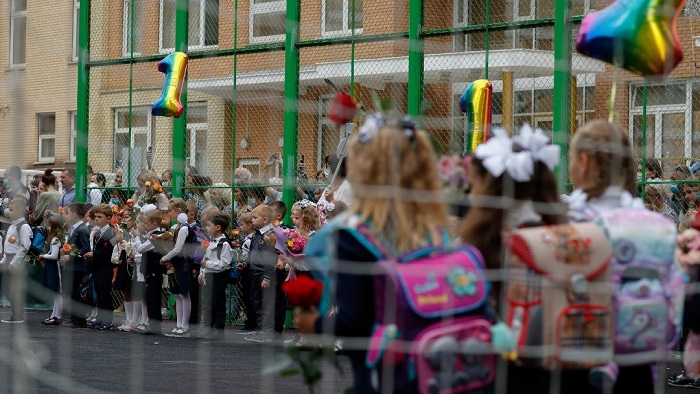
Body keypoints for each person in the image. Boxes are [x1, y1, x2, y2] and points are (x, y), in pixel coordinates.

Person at [296, 114, 448, 393]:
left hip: (381, 367)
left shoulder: (353, 237)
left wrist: (314, 324)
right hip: (432, 362)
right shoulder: (438, 234)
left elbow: (352, 319)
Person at [567, 120, 654, 393]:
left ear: (583, 162)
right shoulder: (649, 222)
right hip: (638, 352)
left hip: (579, 354)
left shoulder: (568, 220)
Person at [243, 205, 281, 343]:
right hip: (254, 272)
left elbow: (271, 257)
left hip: (264, 274)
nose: (251, 220)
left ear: (265, 219)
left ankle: (268, 331)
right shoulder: (256, 234)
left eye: (254, 217)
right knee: (258, 303)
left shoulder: (269, 235)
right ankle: (261, 329)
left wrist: (267, 276)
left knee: (266, 304)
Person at [160, 198, 194, 337]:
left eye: (170, 211)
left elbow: (178, 248)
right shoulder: (177, 227)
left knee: (184, 294)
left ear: (179, 211)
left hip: (183, 264)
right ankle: (179, 324)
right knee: (178, 295)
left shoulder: (184, 228)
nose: (168, 214)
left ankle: (185, 325)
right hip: (177, 263)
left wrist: (164, 257)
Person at [198, 212, 233, 340]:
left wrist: (208, 264)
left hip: (218, 277)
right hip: (208, 276)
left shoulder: (224, 244)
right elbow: (204, 259)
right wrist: (202, 273)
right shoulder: (211, 242)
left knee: (218, 303)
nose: (206, 228)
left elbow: (224, 264)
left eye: (208, 225)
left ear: (217, 227)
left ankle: (218, 330)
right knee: (207, 303)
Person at [132, 207, 165, 335]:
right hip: (149, 271)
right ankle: (151, 323)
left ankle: (155, 325)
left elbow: (141, 248)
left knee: (153, 298)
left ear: (154, 224)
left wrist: (136, 237)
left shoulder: (155, 236)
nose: (143, 225)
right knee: (149, 298)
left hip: (154, 271)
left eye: (145, 223)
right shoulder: (151, 235)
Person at [0, 199, 33, 323]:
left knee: (16, 290)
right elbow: (8, 246)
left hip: (17, 263)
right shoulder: (13, 225)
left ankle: (17, 316)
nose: (9, 212)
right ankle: (15, 313)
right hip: (10, 260)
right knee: (11, 289)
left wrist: (14, 263)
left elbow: (25, 246)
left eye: (12, 210)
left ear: (20, 211)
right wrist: (4, 261)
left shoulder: (23, 226)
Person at [84, 204, 116, 331]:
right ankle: (100, 317)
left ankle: (108, 320)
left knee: (104, 293)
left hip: (105, 267)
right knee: (98, 292)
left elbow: (110, 251)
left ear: (108, 218)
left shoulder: (112, 232)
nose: (96, 219)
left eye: (99, 217)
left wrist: (94, 254)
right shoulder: (97, 232)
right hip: (97, 267)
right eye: (95, 216)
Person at [60, 203, 91, 328]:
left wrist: (71, 256)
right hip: (71, 267)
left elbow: (85, 248)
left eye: (68, 213)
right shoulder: (74, 229)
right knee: (71, 293)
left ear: (74, 214)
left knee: (75, 293)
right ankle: (75, 317)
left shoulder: (82, 230)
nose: (67, 216)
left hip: (77, 268)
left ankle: (80, 318)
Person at [40, 214, 66, 325]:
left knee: (58, 293)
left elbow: (54, 256)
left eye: (49, 226)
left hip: (56, 268)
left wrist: (43, 256)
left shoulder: (56, 239)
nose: (48, 228)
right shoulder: (57, 238)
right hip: (53, 267)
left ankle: (57, 316)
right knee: (56, 294)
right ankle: (54, 315)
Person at [316, 154, 353, 224]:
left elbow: (346, 215)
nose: (325, 169)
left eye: (327, 166)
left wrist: (332, 200)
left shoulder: (347, 189)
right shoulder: (329, 187)